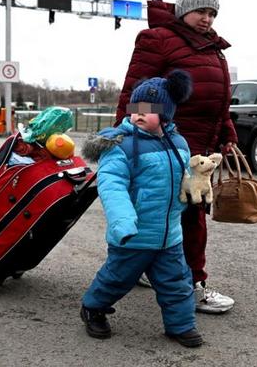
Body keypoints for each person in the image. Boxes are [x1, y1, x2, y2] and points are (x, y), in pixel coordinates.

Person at [114, 0, 238, 314]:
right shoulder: (158, 40)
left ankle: (149, 268)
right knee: (186, 217)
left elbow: (218, 101)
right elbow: (136, 91)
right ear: (183, 9)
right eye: (201, 11)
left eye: (212, 13)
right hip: (167, 145)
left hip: (201, 147)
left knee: (176, 213)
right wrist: (124, 140)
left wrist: (227, 132)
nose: (207, 18)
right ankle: (191, 286)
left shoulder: (214, 48)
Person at [80, 70, 203, 348]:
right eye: (135, 109)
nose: (139, 114)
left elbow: (182, 179)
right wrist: (122, 221)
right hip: (133, 234)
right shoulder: (121, 146)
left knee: (177, 283)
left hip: (169, 235)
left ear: (167, 113)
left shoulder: (179, 144)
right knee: (117, 278)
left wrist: (195, 190)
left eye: (150, 110)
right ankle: (93, 308)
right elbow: (112, 186)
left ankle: (180, 325)